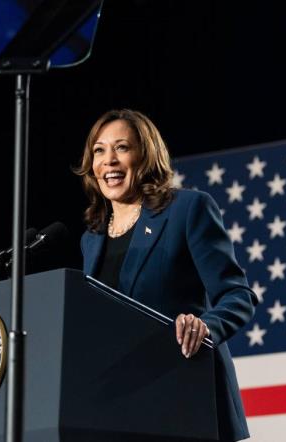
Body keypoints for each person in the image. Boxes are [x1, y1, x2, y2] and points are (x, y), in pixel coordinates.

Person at [75, 109, 258, 441]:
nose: (109, 161)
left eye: (122, 148)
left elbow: (238, 297)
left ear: (145, 156)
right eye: (99, 150)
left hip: (187, 391)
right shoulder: (92, 238)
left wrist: (206, 327)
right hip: (122, 405)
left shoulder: (187, 209)